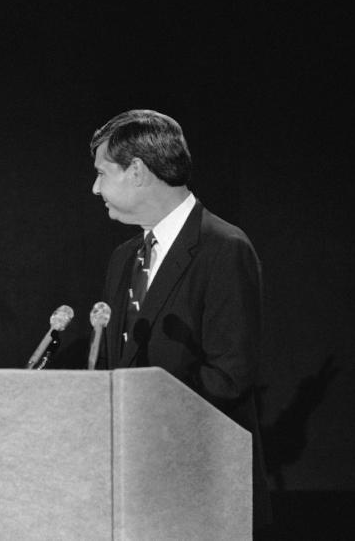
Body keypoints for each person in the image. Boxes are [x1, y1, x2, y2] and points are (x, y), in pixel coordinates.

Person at [90, 109, 271, 531]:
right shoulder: (123, 258)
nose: (95, 187)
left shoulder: (224, 248)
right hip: (130, 494)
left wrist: (141, 414)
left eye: (102, 173)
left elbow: (230, 377)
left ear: (136, 171)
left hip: (201, 491)